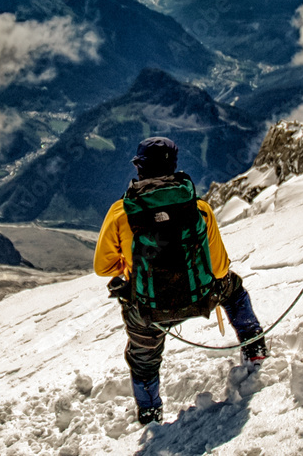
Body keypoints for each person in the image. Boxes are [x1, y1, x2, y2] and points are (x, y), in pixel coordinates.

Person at [95, 137, 268, 425]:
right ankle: (255, 347)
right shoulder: (198, 208)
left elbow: (103, 268)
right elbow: (221, 268)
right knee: (234, 291)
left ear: (139, 169)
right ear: (174, 167)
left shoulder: (120, 214)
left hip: (149, 310)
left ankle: (150, 414)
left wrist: (132, 269)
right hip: (201, 296)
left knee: (143, 359)